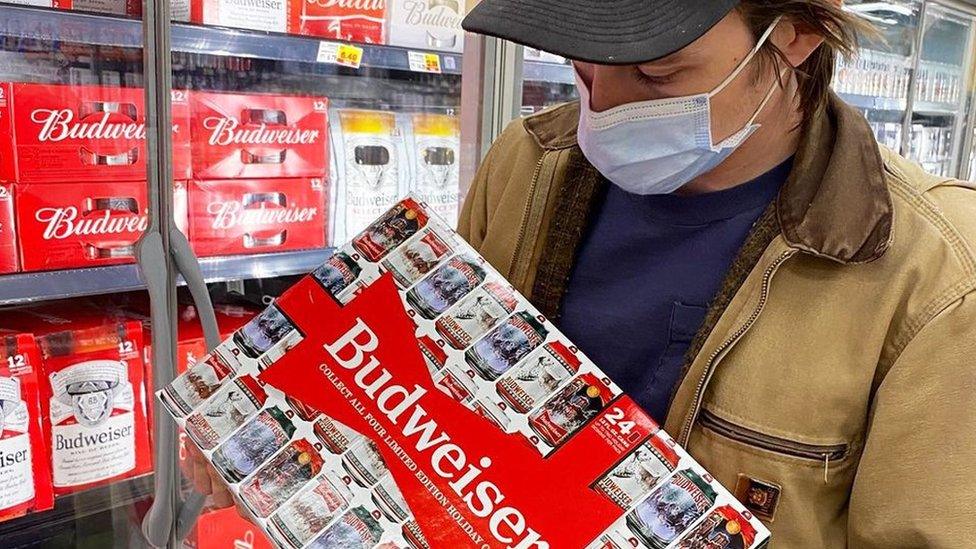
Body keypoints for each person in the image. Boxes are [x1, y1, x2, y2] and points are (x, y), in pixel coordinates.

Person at [191, 0, 976, 546]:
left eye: (660, 74)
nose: (605, 105)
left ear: (797, 30)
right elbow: (434, 413)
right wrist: (284, 453)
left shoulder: (933, 274)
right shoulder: (527, 165)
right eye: (582, 63)